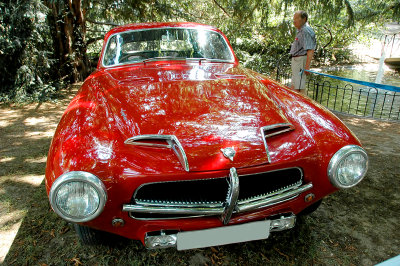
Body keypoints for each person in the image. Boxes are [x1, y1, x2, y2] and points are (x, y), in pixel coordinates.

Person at [290, 10, 316, 95]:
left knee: (298, 89)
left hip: (300, 61)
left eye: (296, 18)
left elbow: (310, 50)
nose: (294, 21)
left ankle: (299, 106)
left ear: (304, 19)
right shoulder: (301, 30)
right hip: (297, 61)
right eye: (294, 19)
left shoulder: (305, 30)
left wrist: (307, 67)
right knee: (295, 87)